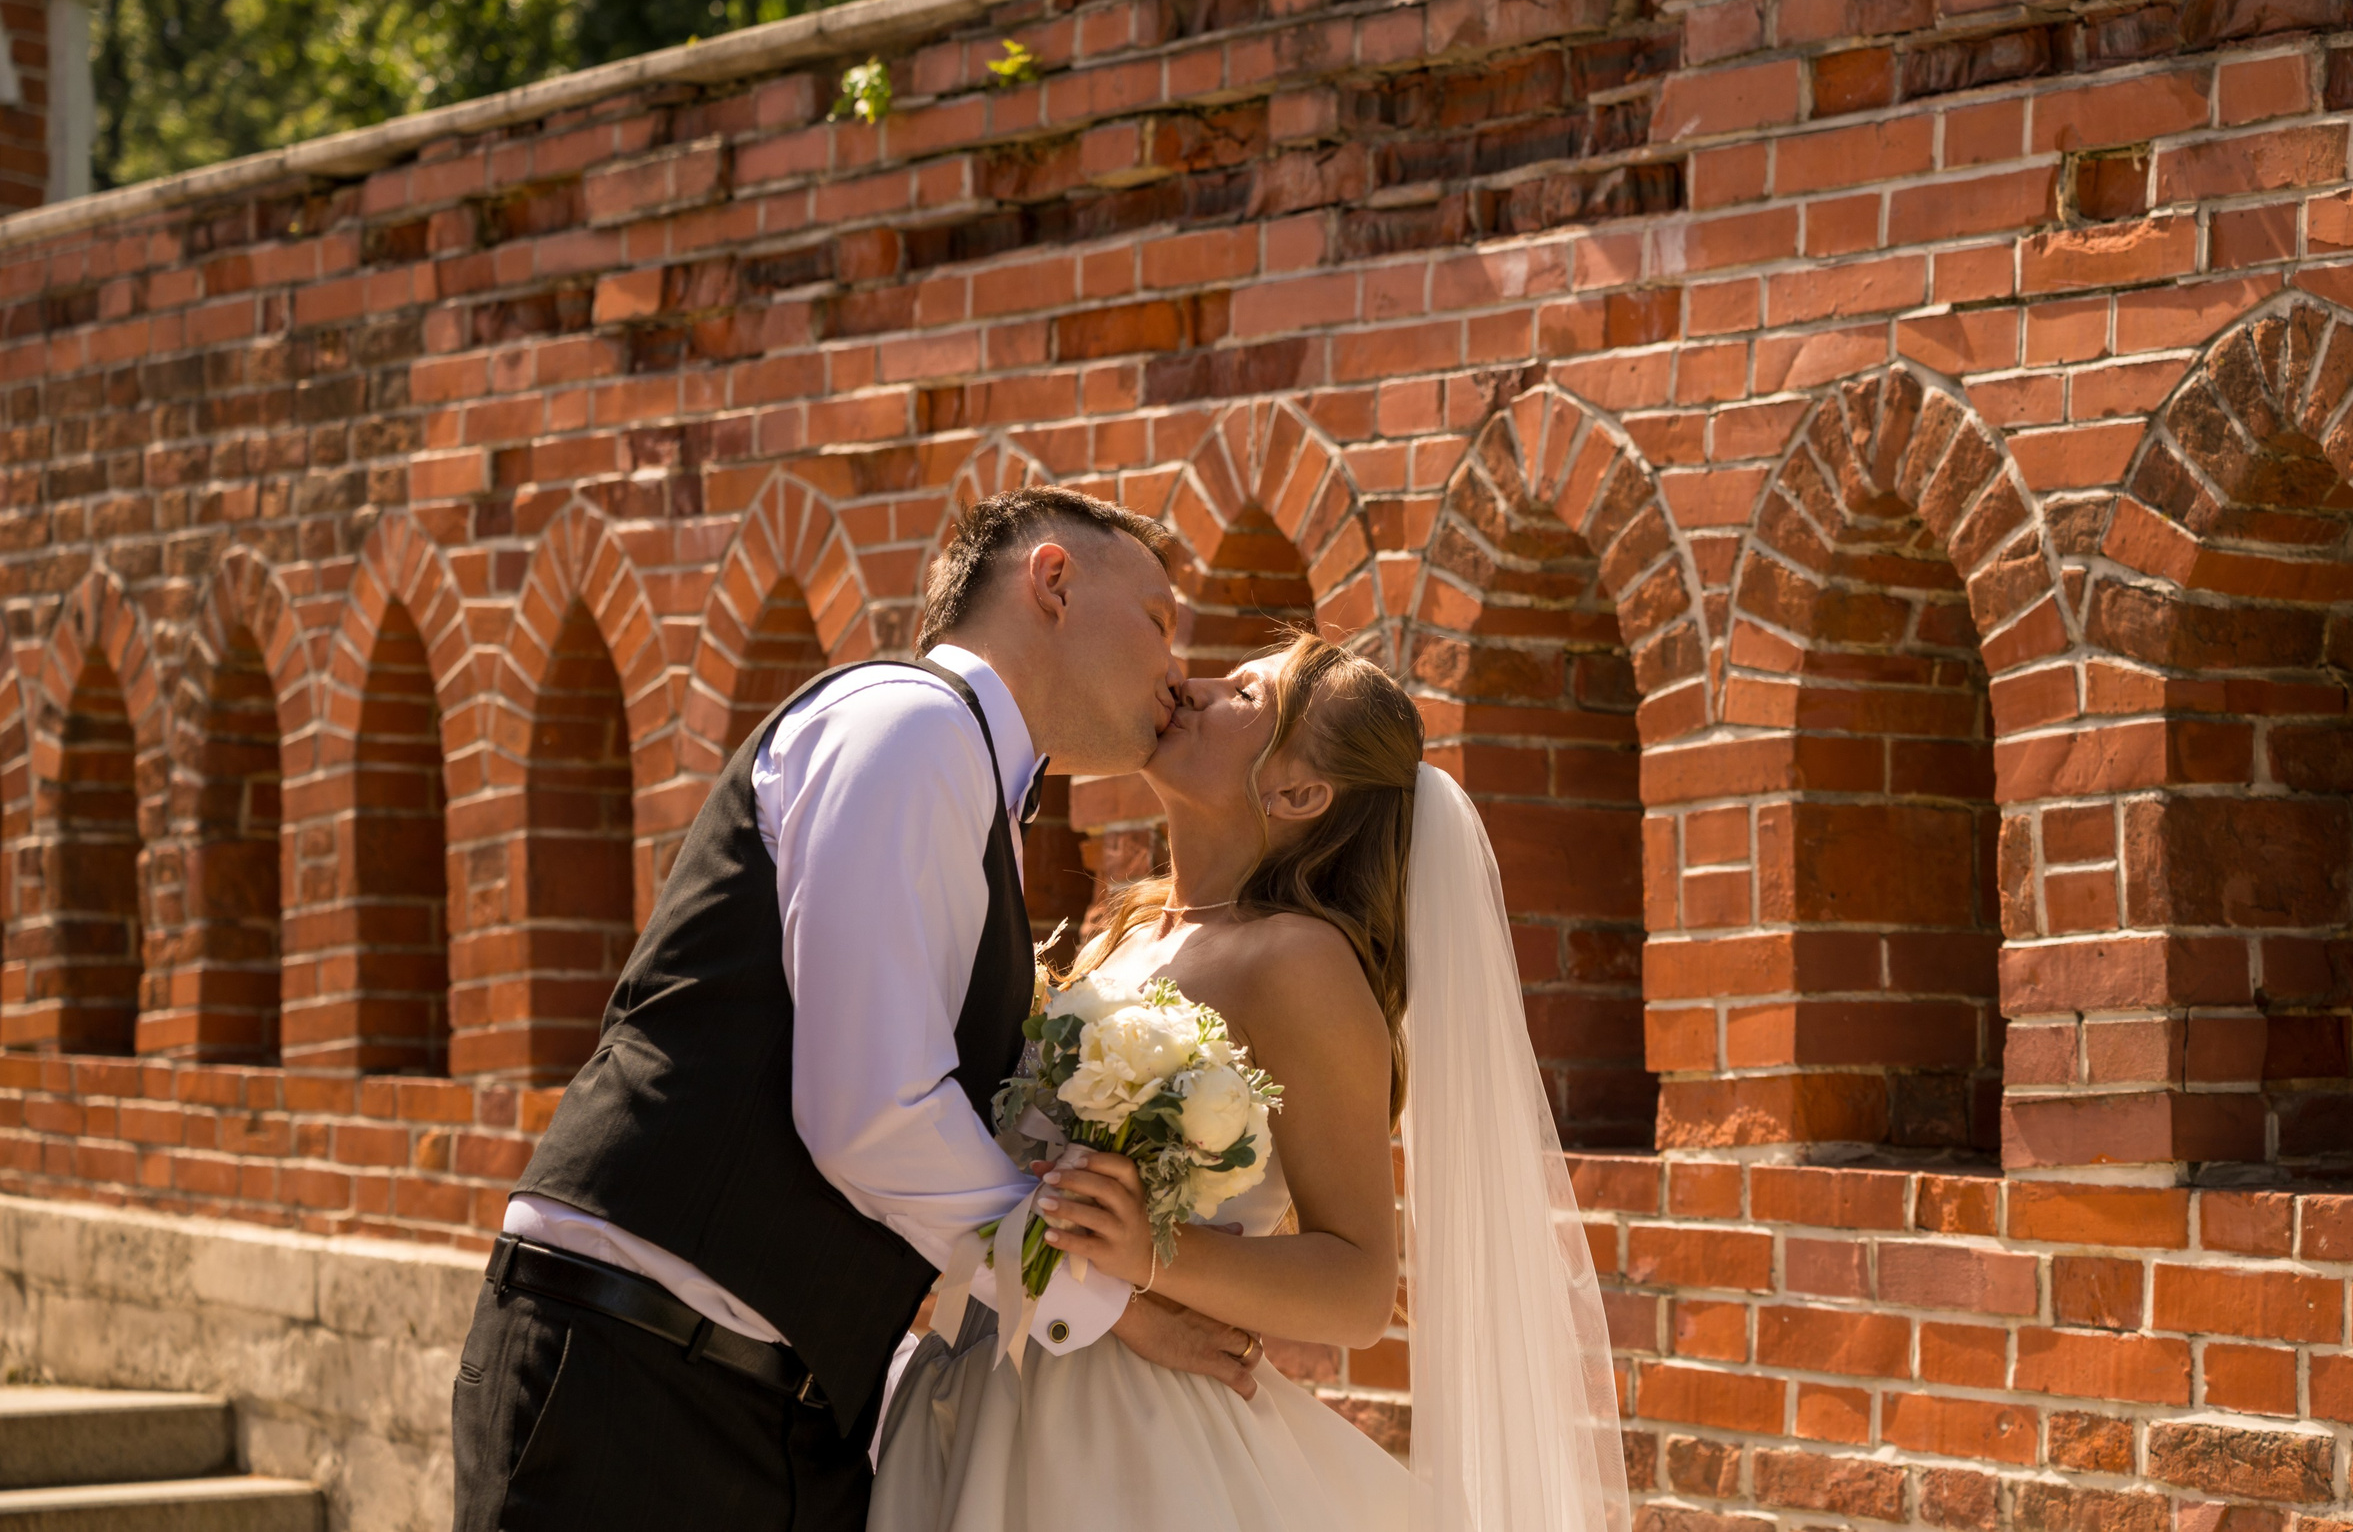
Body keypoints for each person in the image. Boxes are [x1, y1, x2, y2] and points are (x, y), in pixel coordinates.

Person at [450, 487, 1266, 1532]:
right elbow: (872, 1112)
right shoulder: (908, 726)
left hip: (774, 1407)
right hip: (634, 1380)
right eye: (1158, 619)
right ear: (1053, 582)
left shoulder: (972, 783)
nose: (1177, 668)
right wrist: (1110, 1306)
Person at [870, 629, 1629, 1532]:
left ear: (1299, 790)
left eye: (1243, 694)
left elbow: (1357, 1288)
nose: (1189, 688)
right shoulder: (1129, 932)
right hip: (986, 1370)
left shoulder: (1300, 961)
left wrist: (1151, 1255)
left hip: (1129, 1439)